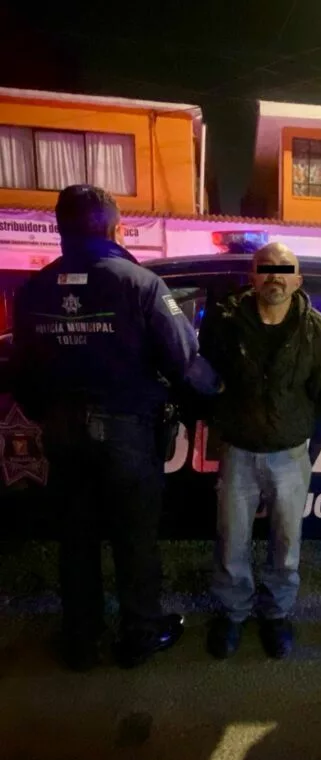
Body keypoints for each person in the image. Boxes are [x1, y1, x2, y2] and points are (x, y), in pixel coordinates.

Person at [11, 184, 221, 671]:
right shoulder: (141, 284)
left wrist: (48, 414)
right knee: (134, 538)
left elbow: (22, 371)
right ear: (116, 228)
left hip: (62, 433)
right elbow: (184, 361)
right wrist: (217, 392)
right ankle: (140, 635)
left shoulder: (34, 290)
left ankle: (81, 642)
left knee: (76, 539)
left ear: (59, 228)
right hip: (126, 435)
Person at [200, 242, 321, 660]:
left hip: (289, 454)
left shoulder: (319, 332)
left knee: (286, 542)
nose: (275, 276)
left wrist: (293, 424)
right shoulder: (226, 325)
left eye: (285, 270)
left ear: (298, 280)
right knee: (231, 541)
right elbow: (206, 376)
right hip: (238, 452)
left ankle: (276, 614)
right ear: (253, 276)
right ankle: (233, 613)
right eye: (266, 268)